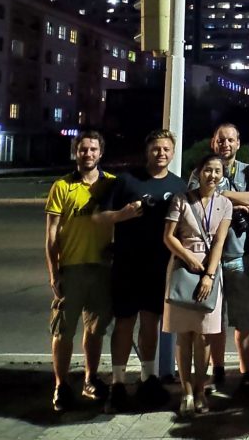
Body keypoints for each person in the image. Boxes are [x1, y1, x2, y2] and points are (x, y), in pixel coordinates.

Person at [101, 130, 187, 413]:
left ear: (172, 153)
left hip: (158, 266)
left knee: (151, 324)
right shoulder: (126, 180)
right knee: (124, 323)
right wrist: (121, 215)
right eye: (156, 149)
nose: (161, 153)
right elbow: (99, 216)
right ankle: (117, 382)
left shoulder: (178, 186)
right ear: (147, 151)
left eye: (166, 149)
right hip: (127, 264)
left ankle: (148, 377)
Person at [44, 131, 116, 412]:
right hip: (71, 269)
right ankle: (61, 385)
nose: (88, 154)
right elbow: (50, 236)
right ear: (76, 153)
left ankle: (90, 379)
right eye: (83, 149)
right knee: (63, 331)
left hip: (102, 270)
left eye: (93, 149)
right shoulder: (62, 186)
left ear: (101, 153)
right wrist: (53, 273)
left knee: (95, 330)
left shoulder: (111, 184)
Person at [192, 124, 249, 396]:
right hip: (207, 259)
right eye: (220, 139)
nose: (225, 144)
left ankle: (247, 374)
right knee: (210, 319)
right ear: (213, 142)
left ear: (238, 143)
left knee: (246, 318)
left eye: (231, 139)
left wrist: (223, 197)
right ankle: (217, 371)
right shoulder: (200, 171)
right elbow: (194, 201)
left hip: (239, 256)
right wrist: (235, 203)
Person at [163, 153, 233, 416]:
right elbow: (168, 236)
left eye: (217, 171)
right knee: (184, 334)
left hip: (209, 272)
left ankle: (201, 390)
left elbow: (219, 241)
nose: (212, 175)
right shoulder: (181, 199)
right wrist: (189, 257)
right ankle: (186, 392)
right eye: (207, 170)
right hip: (182, 267)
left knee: (204, 336)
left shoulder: (224, 204)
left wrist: (209, 275)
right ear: (198, 172)